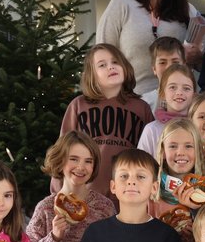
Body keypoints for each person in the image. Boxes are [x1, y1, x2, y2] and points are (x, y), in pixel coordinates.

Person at [97, 0, 201, 96]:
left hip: (176, 101)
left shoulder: (188, 10)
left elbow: (204, 59)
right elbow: (102, 53)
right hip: (130, 99)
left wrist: (197, 57)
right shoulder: (122, 3)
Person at [55, 44, 153, 204]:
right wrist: (58, 192)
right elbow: (62, 150)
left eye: (115, 62)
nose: (111, 67)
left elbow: (151, 155)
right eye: (102, 65)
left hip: (128, 197)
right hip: (84, 197)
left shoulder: (141, 108)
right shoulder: (78, 105)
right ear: (92, 74)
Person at [137, 63, 197, 157]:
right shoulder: (152, 130)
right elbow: (142, 163)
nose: (179, 92)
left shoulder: (198, 127)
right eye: (172, 87)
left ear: (194, 95)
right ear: (162, 93)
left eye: (186, 88)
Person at [140, 36, 186, 113]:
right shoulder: (143, 103)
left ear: (184, 66)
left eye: (175, 62)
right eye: (162, 62)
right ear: (154, 69)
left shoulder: (196, 102)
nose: (169, 67)